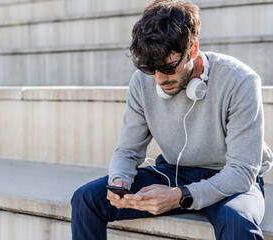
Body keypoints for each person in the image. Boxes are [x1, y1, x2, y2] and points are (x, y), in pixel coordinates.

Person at [71, 0, 273, 239]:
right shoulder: (142, 81)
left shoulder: (240, 80)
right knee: (86, 198)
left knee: (237, 222)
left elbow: (242, 171)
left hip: (229, 177)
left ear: (193, 50)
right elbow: (127, 150)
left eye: (167, 68)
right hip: (174, 172)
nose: (158, 79)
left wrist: (179, 195)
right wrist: (120, 181)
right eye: (150, 69)